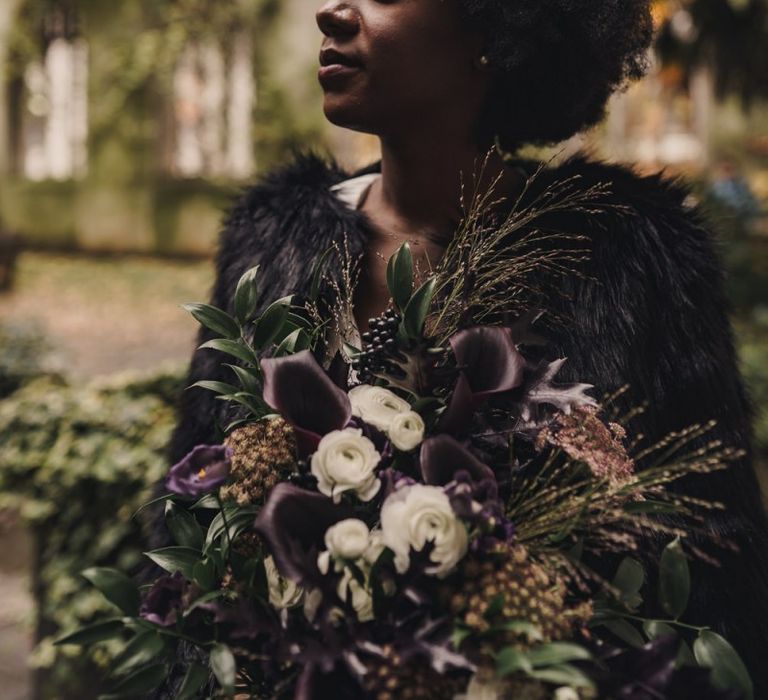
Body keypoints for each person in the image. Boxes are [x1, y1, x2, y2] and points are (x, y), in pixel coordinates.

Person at [159, 0, 768, 696]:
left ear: (495, 31)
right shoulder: (268, 249)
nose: (331, 11)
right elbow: (191, 538)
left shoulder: (636, 264)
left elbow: (716, 568)